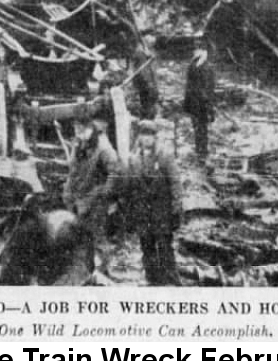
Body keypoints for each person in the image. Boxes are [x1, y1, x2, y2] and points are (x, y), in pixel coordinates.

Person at [125, 120, 183, 285]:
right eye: (144, 135)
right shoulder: (134, 159)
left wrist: (176, 207)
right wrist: (129, 212)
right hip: (143, 212)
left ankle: (171, 282)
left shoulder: (165, 156)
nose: (147, 139)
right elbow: (130, 187)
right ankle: (153, 281)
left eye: (150, 136)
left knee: (165, 247)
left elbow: (175, 182)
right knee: (147, 247)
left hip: (162, 211)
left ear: (155, 137)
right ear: (140, 138)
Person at [62, 114, 122, 272]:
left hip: (96, 201)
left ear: (90, 129)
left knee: (98, 238)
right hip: (80, 200)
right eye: (76, 130)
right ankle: (88, 271)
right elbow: (73, 171)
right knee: (83, 238)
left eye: (81, 130)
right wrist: (68, 193)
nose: (78, 133)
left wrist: (104, 193)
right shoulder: (79, 144)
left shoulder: (103, 148)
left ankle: (103, 272)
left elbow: (115, 171)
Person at [183, 34, 216, 161]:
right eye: (195, 48)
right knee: (197, 128)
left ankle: (203, 153)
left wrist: (210, 108)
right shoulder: (193, 65)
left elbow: (209, 90)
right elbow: (188, 86)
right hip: (193, 103)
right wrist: (186, 105)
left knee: (202, 129)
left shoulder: (208, 68)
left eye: (198, 49)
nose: (194, 51)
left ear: (204, 51)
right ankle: (199, 151)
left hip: (203, 104)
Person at [130, 42, 159, 120]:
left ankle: (147, 116)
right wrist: (149, 83)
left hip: (147, 81)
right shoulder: (140, 52)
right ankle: (147, 118)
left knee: (147, 101)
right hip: (144, 82)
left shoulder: (146, 51)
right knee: (146, 101)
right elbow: (143, 70)